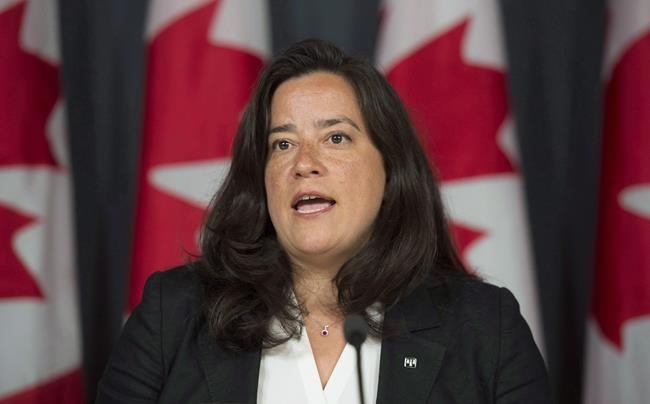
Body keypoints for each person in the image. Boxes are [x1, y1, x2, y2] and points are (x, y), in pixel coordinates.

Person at [96, 39, 550, 404]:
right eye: (282, 144)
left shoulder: (484, 327)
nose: (304, 163)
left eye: (336, 138)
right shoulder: (174, 314)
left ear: (390, 170)